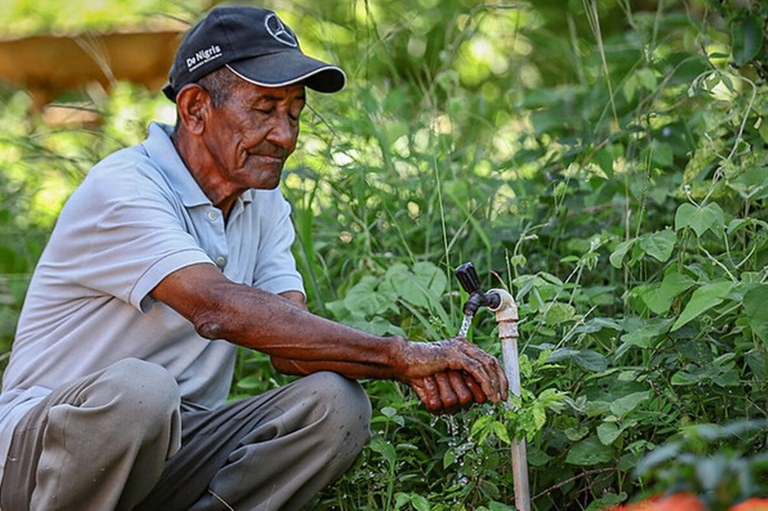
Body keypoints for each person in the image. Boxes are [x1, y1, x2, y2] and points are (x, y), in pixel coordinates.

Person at [0, 5, 508, 510]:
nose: (285, 136)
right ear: (196, 108)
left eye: (294, 113)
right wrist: (400, 356)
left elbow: (291, 347)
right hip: (39, 462)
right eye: (264, 110)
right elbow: (215, 308)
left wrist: (418, 367)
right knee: (142, 391)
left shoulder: (260, 200)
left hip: (167, 448)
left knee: (336, 403)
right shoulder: (125, 187)